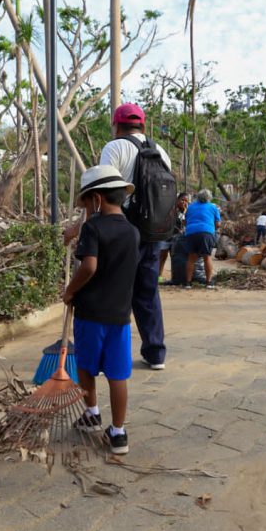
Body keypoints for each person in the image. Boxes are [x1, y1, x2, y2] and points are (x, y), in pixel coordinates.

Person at [64, 165, 140, 455]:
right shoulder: (133, 233)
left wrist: (70, 290)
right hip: (120, 316)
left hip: (91, 314)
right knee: (117, 375)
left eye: (85, 203)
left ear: (95, 199)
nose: (85, 209)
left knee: (86, 367)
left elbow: (90, 266)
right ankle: (118, 433)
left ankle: (92, 413)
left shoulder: (93, 228)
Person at [94, 102, 173, 370]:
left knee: (115, 292)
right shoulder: (160, 151)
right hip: (154, 233)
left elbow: (104, 192)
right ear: (143, 124)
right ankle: (155, 354)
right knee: (147, 292)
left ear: (117, 125)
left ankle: (111, 356)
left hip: (122, 231)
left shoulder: (114, 147)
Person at [183, 188, 222, 289]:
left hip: (191, 232)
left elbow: (185, 221)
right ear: (209, 198)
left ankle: (188, 283)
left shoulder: (190, 207)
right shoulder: (213, 208)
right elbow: (218, 224)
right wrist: (211, 227)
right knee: (207, 257)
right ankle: (208, 282)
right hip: (206, 232)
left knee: (191, 258)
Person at [157, 192, 190, 281]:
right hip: (166, 235)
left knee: (175, 257)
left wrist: (185, 211)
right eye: (182, 200)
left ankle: (175, 277)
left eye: (186, 201)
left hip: (177, 238)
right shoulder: (171, 208)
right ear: (177, 200)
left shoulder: (187, 211)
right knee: (162, 256)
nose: (184, 202)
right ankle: (159, 276)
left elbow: (185, 223)